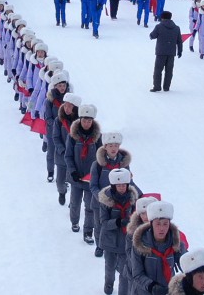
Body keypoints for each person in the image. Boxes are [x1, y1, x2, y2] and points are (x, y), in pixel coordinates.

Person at [130, 201, 187, 295]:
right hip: (145, 291)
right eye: (158, 224)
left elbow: (186, 266)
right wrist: (152, 286)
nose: (162, 228)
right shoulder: (140, 244)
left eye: (165, 224)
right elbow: (137, 274)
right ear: (151, 224)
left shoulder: (176, 244)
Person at [97, 168, 138, 295]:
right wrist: (118, 222)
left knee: (124, 272)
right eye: (118, 185)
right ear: (114, 186)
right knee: (110, 268)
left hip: (126, 242)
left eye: (124, 185)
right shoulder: (106, 200)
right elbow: (103, 222)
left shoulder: (133, 200)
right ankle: (108, 285)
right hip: (110, 241)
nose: (121, 187)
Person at [65, 103, 101, 241]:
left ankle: (88, 231)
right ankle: (74, 221)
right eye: (84, 120)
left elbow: (100, 157)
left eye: (89, 121)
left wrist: (96, 174)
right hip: (76, 176)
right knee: (75, 202)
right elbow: (68, 156)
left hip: (90, 178)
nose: (87, 123)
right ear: (80, 120)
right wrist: (73, 171)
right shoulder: (73, 136)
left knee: (90, 205)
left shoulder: (97, 137)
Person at [149, 12, 183, 93]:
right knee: (169, 70)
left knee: (158, 70)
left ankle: (157, 87)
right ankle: (166, 87)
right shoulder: (176, 28)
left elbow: (152, 36)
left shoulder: (159, 26)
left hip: (161, 52)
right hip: (171, 52)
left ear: (162, 17)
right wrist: (180, 51)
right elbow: (179, 41)